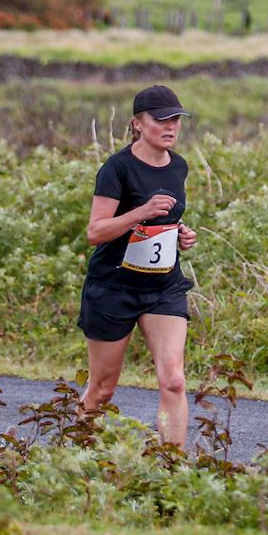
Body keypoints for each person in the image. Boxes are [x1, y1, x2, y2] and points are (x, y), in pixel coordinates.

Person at [79, 84, 199, 445]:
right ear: (137, 124)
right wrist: (141, 212)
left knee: (174, 380)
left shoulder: (179, 166)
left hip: (163, 288)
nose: (170, 126)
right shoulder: (117, 168)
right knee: (101, 391)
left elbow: (164, 222)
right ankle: (73, 457)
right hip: (114, 288)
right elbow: (95, 232)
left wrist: (180, 234)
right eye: (161, 119)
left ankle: (171, 471)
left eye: (176, 119)